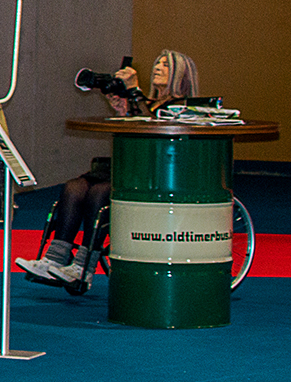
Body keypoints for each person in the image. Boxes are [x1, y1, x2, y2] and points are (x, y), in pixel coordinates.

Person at [17, 50, 200, 286]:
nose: (157, 67)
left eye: (165, 65)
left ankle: (84, 266)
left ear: (180, 74)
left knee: (99, 192)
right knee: (74, 187)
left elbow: (150, 128)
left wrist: (134, 91)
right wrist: (122, 111)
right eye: (158, 63)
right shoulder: (148, 102)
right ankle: (55, 257)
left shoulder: (184, 107)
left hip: (155, 174)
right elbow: (133, 129)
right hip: (126, 166)